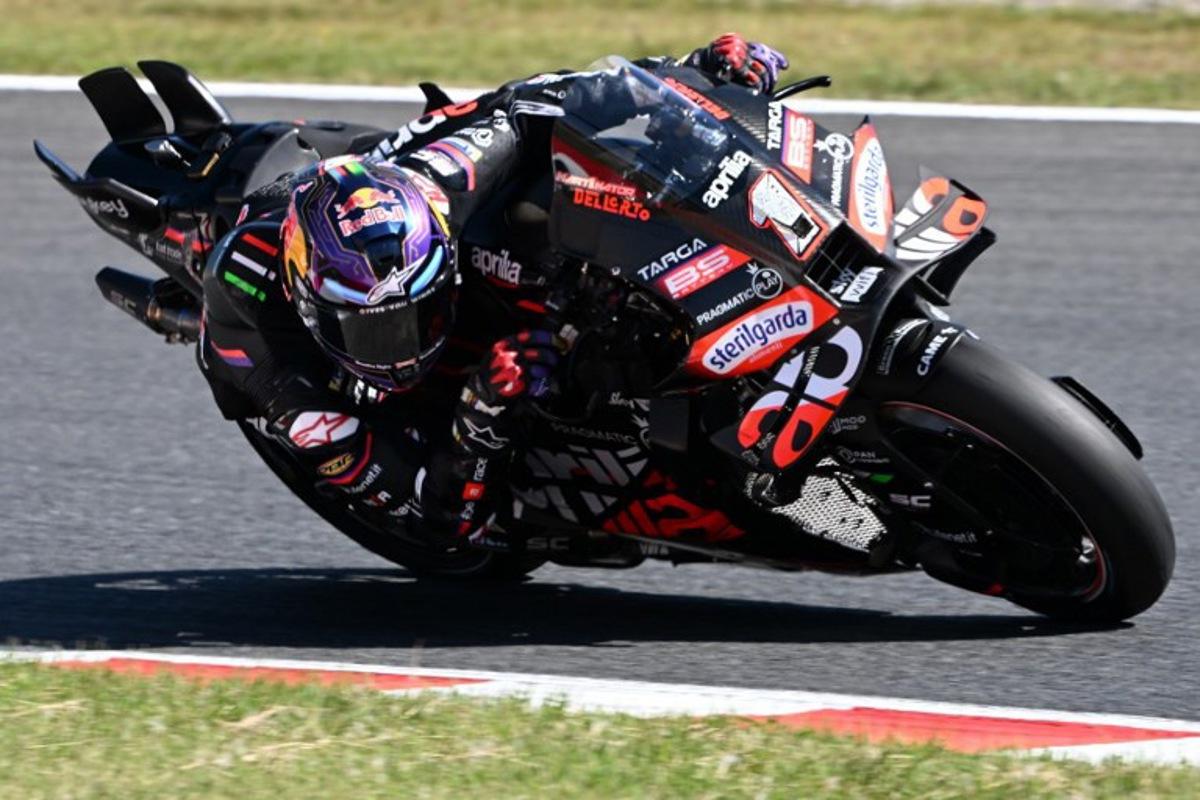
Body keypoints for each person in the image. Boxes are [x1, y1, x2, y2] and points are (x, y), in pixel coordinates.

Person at [196, 34, 789, 553]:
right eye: (374, 331)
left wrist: (692, 72)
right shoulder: (278, 367)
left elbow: (551, 96)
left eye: (416, 315)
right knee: (388, 461)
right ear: (314, 307)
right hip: (287, 359)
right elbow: (436, 519)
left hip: (386, 183)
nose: (402, 346)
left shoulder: (445, 178)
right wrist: (479, 413)